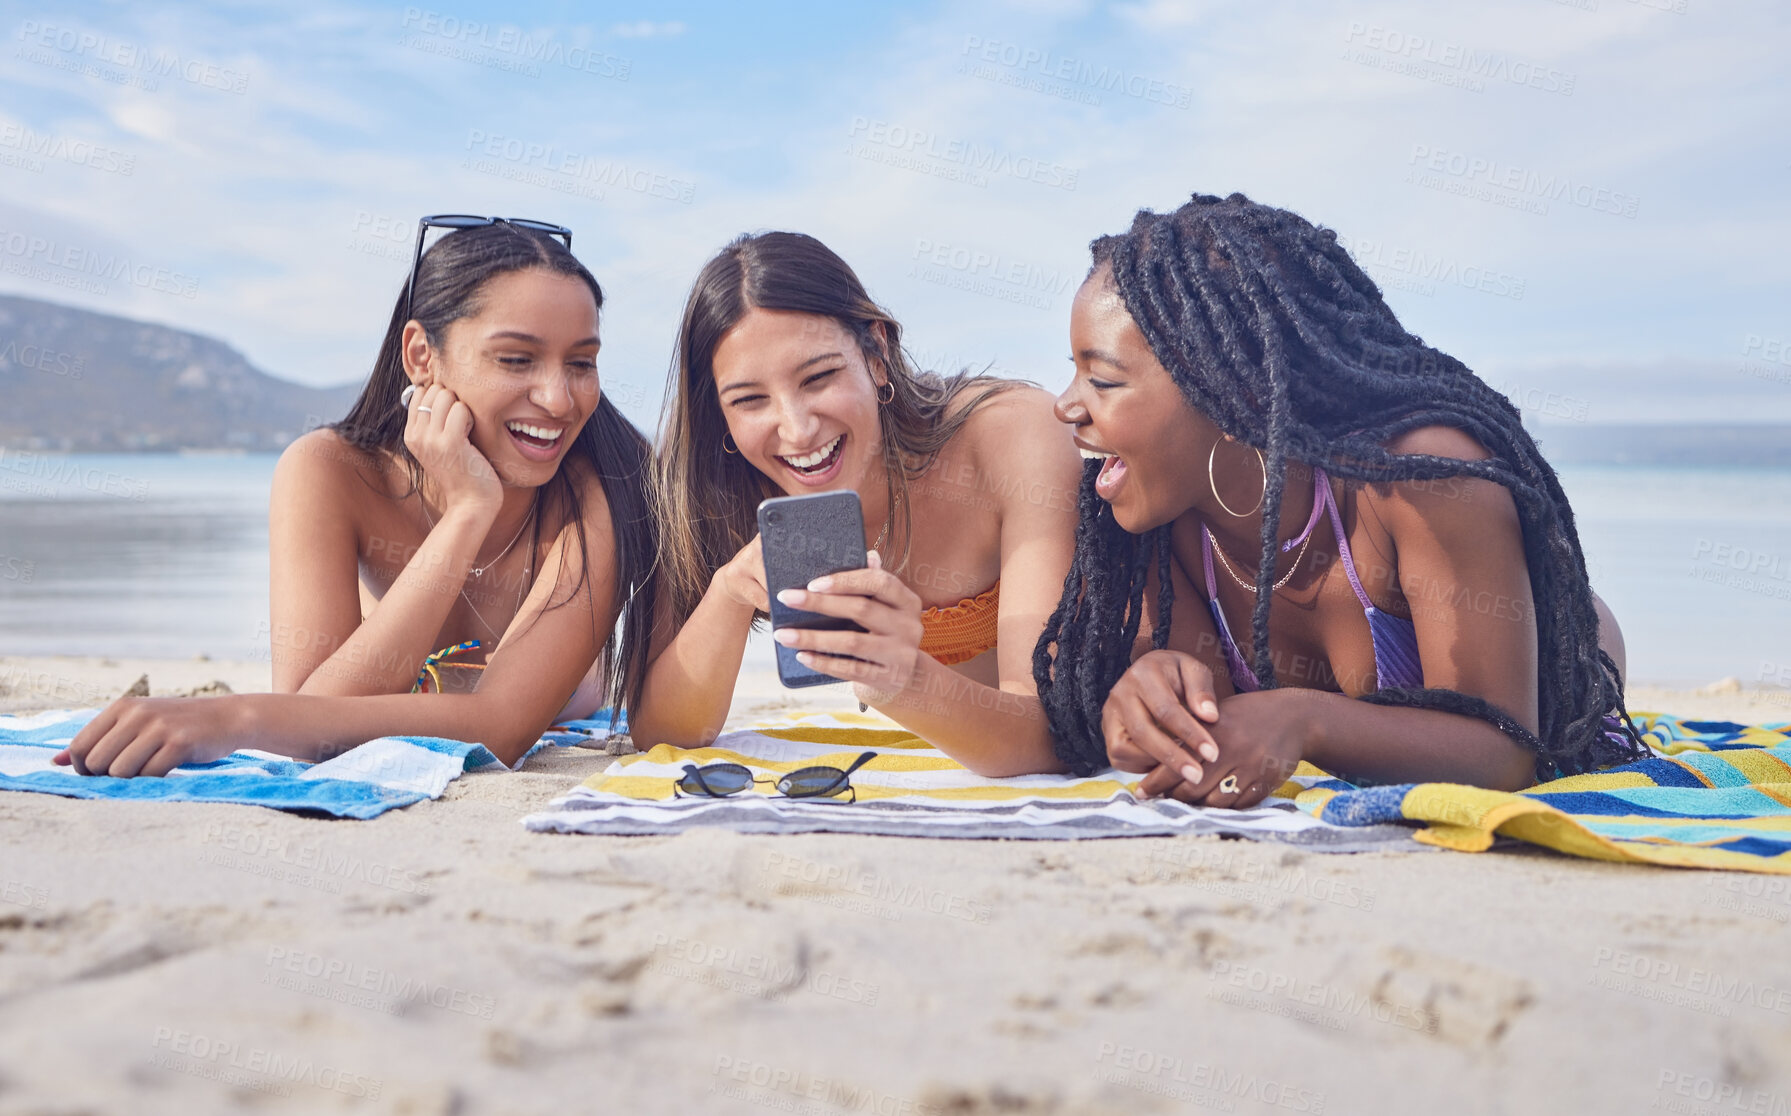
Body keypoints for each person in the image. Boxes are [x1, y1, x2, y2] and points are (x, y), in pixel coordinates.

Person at [1036, 192, 1645, 806]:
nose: (1065, 405)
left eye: (1103, 380)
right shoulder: (1163, 525)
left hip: (1560, 670)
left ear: (1230, 390)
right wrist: (1149, 700)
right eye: (1074, 371)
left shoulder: (1418, 480)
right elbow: (1214, 732)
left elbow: (1505, 752)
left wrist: (1305, 719)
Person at [58, 217, 656, 777]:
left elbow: (501, 728)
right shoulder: (328, 472)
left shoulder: (608, 482)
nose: (559, 398)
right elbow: (310, 708)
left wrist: (235, 716)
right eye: (516, 359)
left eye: (581, 362)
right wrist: (468, 514)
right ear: (421, 355)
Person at [633, 231, 1081, 775]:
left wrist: (903, 679)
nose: (797, 431)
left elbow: (1048, 735)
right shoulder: (723, 492)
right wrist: (729, 593)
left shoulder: (1010, 438)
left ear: (878, 354)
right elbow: (664, 733)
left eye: (819, 378)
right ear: (719, 413)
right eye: (749, 400)